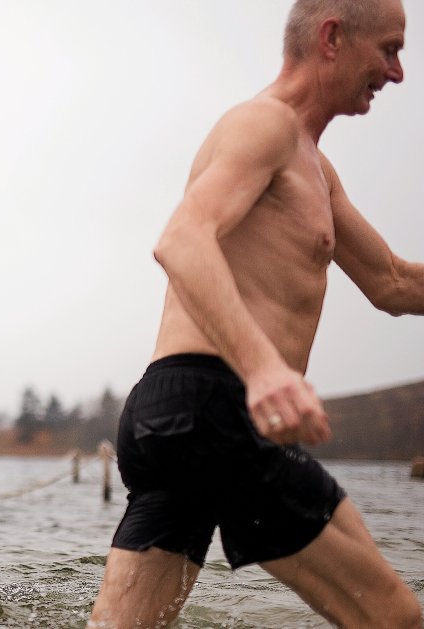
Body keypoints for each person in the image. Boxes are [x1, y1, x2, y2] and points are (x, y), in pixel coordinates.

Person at [89, 1, 423, 627]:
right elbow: (181, 239)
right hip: (219, 404)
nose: (398, 72)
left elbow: (392, 282)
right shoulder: (263, 125)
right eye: (389, 49)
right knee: (394, 620)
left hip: (175, 416)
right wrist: (266, 370)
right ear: (332, 37)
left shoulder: (316, 169)